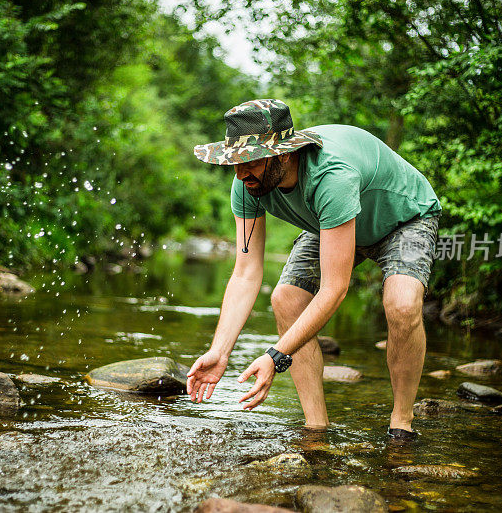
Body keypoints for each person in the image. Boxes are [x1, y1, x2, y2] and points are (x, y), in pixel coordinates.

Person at [186, 99, 441, 439]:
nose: (241, 172)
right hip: (332, 223)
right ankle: (316, 429)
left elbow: (335, 289)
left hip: (404, 218)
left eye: (251, 161)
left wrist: (276, 356)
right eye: (235, 162)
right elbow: (246, 273)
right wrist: (220, 351)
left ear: (284, 154)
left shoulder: (331, 175)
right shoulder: (247, 185)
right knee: (287, 298)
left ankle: (401, 423)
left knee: (403, 303)